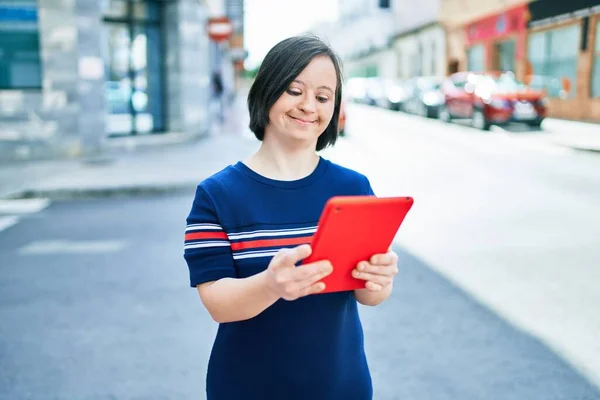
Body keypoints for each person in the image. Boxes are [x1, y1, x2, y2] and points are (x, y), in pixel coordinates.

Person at [183, 35, 400, 400]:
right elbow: (218, 304)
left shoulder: (353, 187)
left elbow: (369, 296)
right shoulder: (217, 194)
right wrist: (271, 285)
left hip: (342, 386)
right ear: (267, 91)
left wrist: (378, 279)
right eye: (294, 90)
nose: (308, 106)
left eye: (322, 96)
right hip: (247, 388)